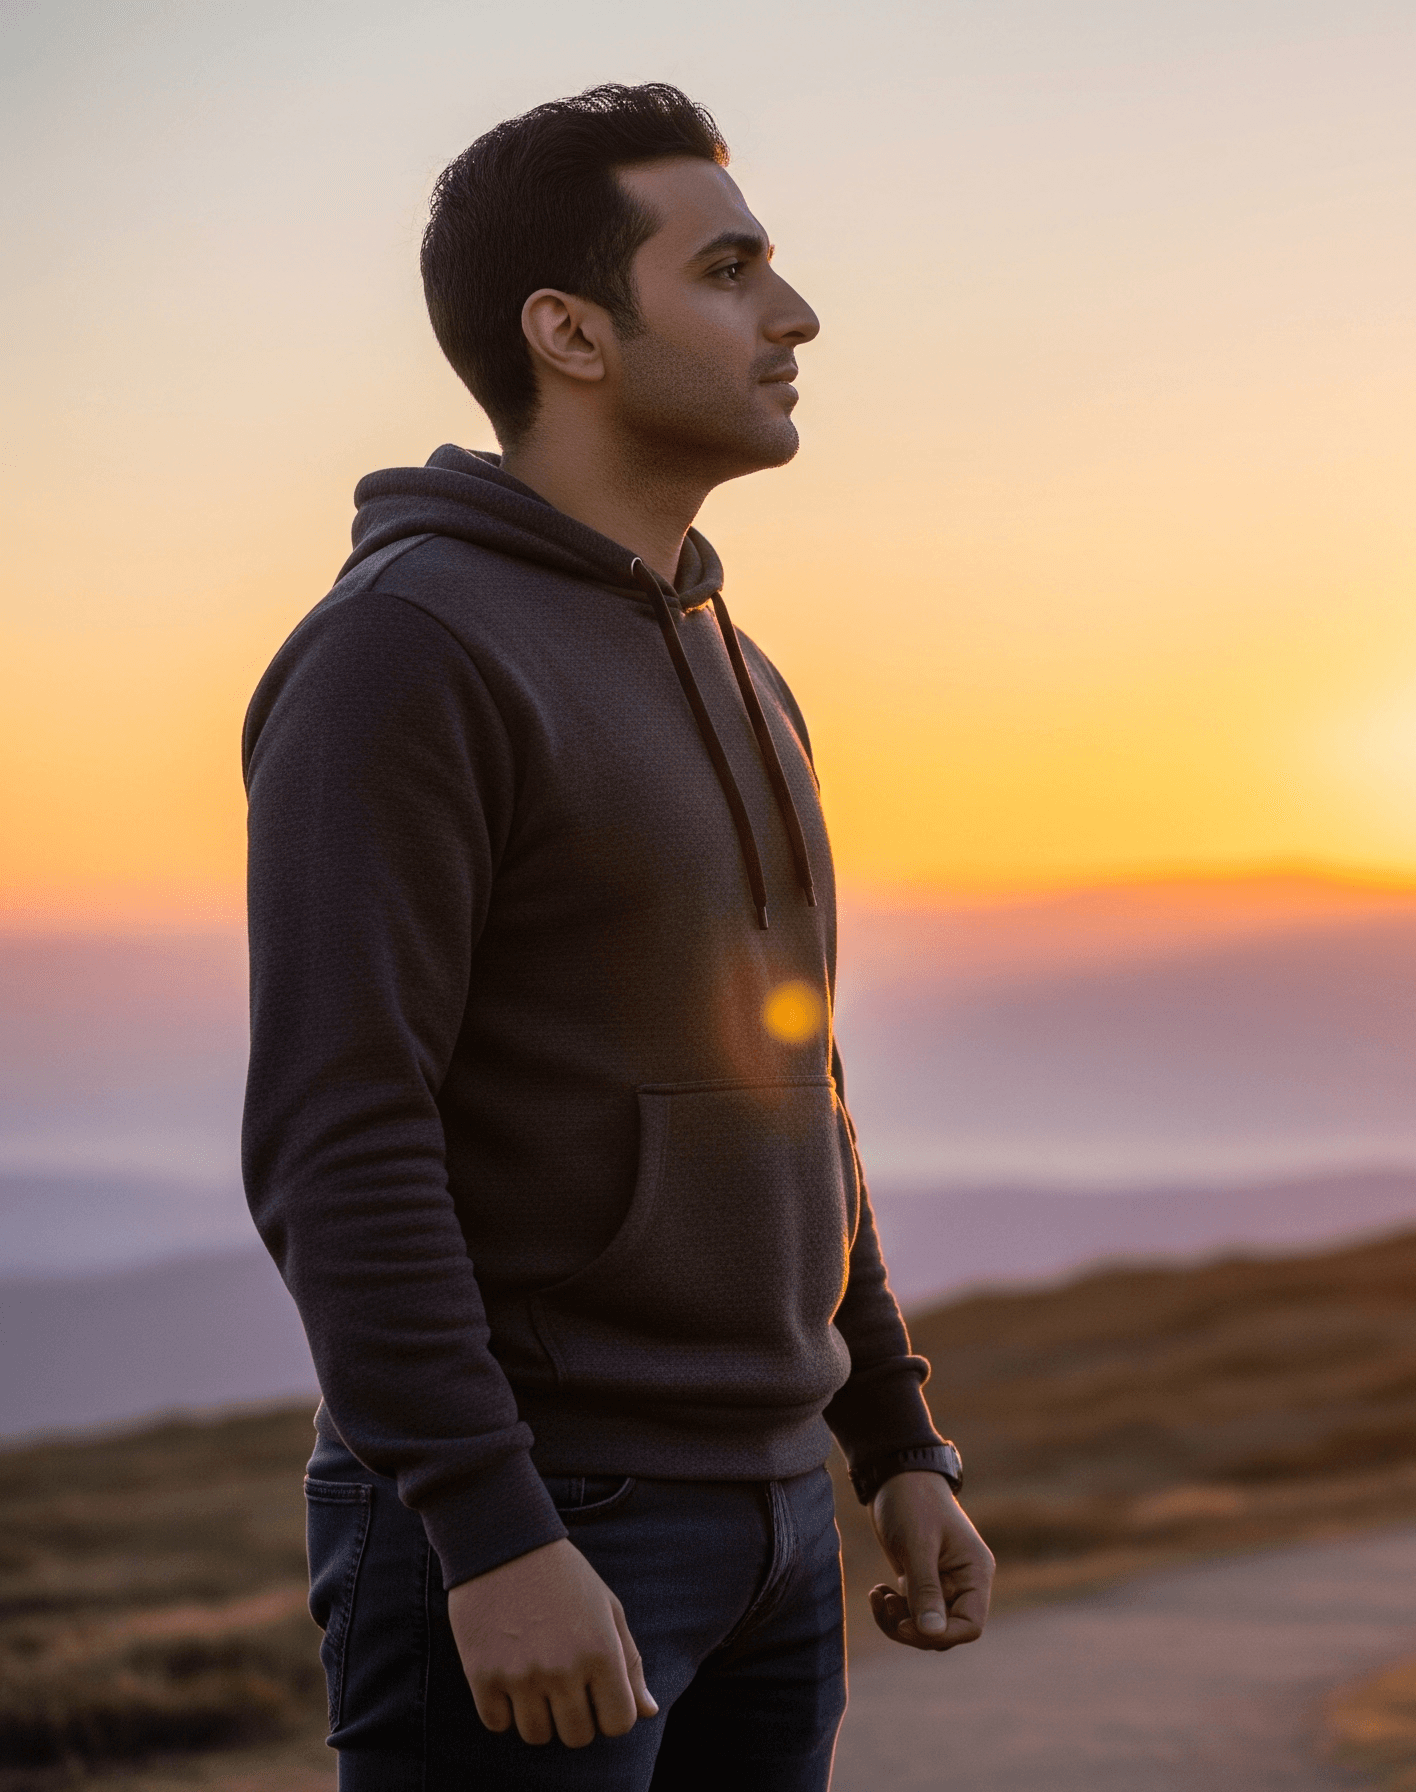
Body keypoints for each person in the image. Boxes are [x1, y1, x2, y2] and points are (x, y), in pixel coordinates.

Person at [241, 83, 993, 1789]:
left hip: (772, 1519)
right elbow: (337, 1132)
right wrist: (492, 1535)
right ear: (570, 333)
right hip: (545, 1521)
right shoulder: (403, 656)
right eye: (729, 271)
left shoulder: (740, 662)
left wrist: (894, 1439)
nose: (793, 317)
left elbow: (797, 1074)